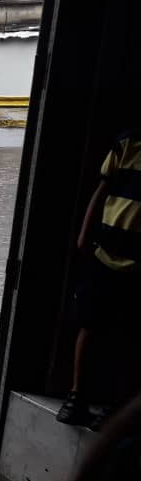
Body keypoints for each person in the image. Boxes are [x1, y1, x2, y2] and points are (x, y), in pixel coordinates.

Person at [57, 128, 141, 428]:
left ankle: (114, 405)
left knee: (125, 333)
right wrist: (84, 235)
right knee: (89, 324)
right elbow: (102, 189)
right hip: (106, 252)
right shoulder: (127, 143)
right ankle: (77, 398)